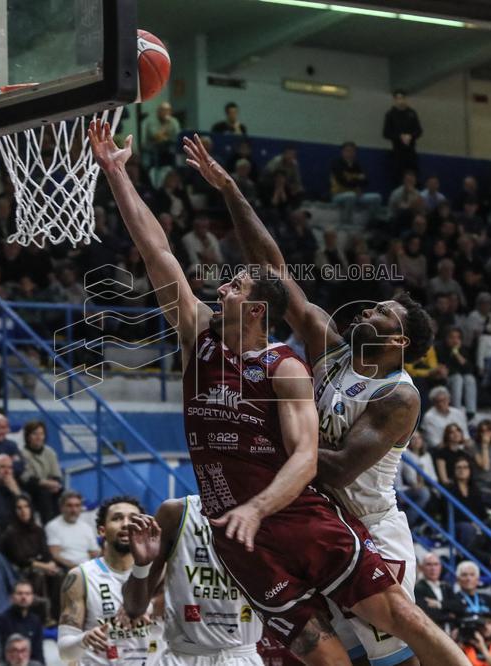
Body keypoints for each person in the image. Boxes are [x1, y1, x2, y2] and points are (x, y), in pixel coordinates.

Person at [94, 122, 467, 665]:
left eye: (382, 312)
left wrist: (260, 495)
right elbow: (168, 254)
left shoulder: (373, 390)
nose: (220, 285)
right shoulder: (312, 345)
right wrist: (121, 173)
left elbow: (323, 465)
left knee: (397, 645)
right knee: (325, 654)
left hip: (339, 517)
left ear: (400, 341)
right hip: (254, 527)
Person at [122, 496, 264, 664]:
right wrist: (141, 565)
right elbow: (133, 609)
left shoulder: (268, 514)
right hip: (183, 657)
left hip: (242, 656)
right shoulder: (175, 512)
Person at [57, 496, 164, 663]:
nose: (126, 524)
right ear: (102, 530)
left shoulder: (160, 573)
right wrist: (84, 639)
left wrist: (146, 608)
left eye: (133, 519)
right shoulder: (80, 576)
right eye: (117, 518)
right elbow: (65, 653)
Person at [2, 494, 62, 623]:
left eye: (26, 507)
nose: (23, 511)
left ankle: (57, 616)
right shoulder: (10, 532)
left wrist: (51, 564)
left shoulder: (38, 530)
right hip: (20, 570)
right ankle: (41, 617)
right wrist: (45, 566)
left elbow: (46, 553)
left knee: (58, 574)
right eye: (19, 508)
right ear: (14, 511)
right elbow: (21, 560)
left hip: (40, 565)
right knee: (38, 574)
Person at [18, 420, 63, 523]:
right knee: (44, 494)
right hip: (31, 489)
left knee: (62, 493)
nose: (39, 437)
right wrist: (47, 483)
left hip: (50, 487)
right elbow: (27, 479)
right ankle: (48, 524)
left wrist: (54, 484)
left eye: (41, 434)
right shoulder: (22, 453)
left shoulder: (50, 452)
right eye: (35, 434)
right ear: (28, 436)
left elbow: (56, 475)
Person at [329, 141, 382, 225]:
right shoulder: (336, 163)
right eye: (347, 151)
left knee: (377, 197)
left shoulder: (357, 165)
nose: (350, 153)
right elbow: (343, 181)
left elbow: (366, 182)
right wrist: (357, 181)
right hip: (338, 195)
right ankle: (346, 224)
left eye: (352, 151)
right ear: (342, 152)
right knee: (350, 195)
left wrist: (354, 182)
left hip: (356, 195)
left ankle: (372, 224)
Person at [46, 491, 101, 571]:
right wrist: (77, 568)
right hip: (66, 569)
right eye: (69, 506)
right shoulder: (53, 526)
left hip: (87, 569)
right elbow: (55, 555)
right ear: (61, 507)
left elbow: (94, 552)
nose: (74, 510)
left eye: (77, 506)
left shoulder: (86, 527)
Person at [0, 581, 45, 666]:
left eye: (27, 594)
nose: (24, 597)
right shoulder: (1, 621)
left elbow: (38, 652)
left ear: (32, 597)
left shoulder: (36, 621)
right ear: (12, 597)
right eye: (20, 593)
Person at [382, 89, 422, 180]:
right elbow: (386, 133)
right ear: (394, 100)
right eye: (398, 98)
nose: (400, 100)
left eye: (402, 98)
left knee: (413, 175)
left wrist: (410, 136)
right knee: (398, 177)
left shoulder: (412, 113)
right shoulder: (390, 114)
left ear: (405, 99)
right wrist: (399, 137)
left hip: (411, 151)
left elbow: (419, 131)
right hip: (397, 152)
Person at [415, 553, 454, 627]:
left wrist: (438, 604)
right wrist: (449, 616)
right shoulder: (417, 588)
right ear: (421, 568)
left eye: (436, 564)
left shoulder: (446, 586)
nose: (433, 568)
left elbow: (459, 606)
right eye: (429, 564)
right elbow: (428, 614)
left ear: (441, 567)